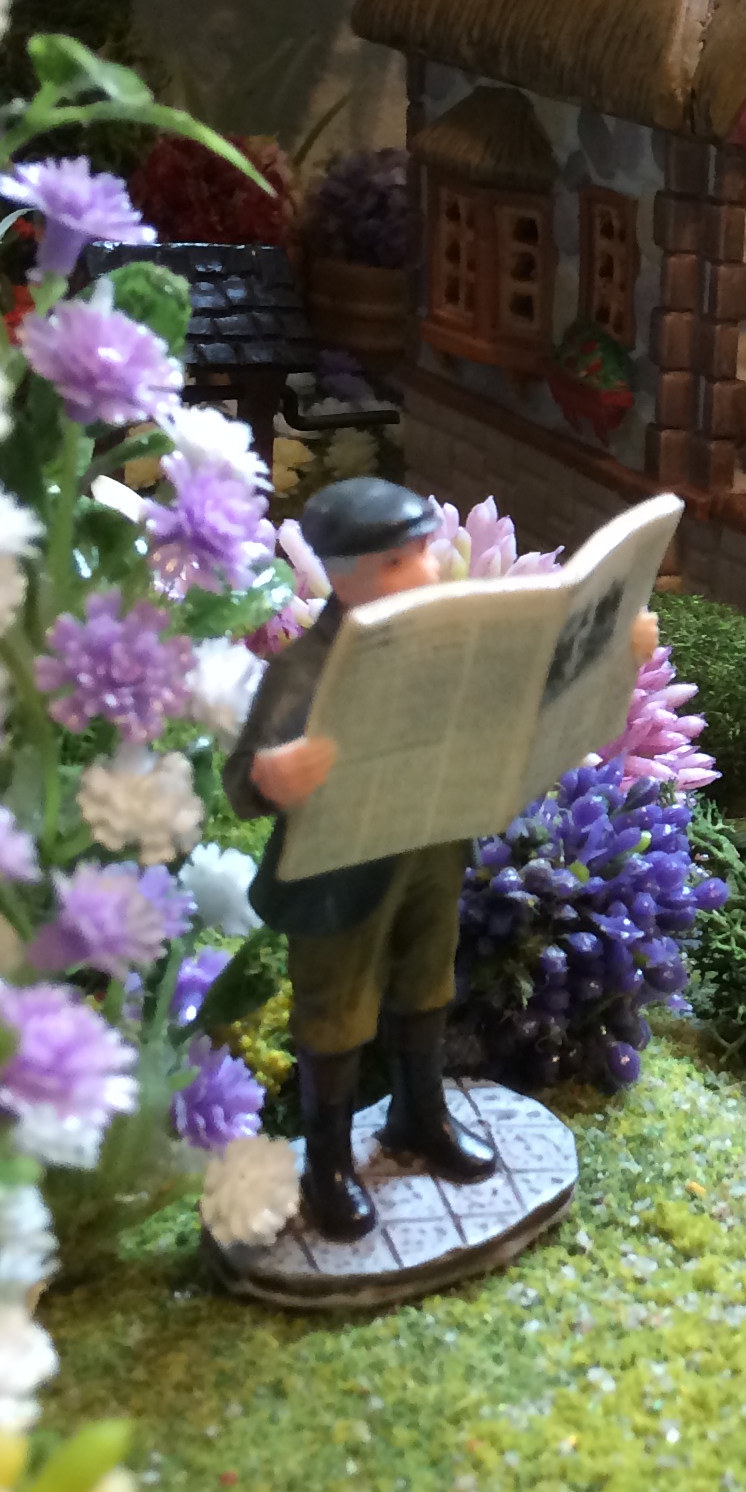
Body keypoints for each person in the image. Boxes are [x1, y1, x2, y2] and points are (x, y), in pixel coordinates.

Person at [228, 477, 657, 1242]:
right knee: (336, 1014)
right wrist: (274, 776)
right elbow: (241, 782)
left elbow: (519, 703)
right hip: (339, 873)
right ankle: (328, 1163)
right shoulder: (307, 671)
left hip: (430, 842)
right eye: (397, 563)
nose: (426, 572)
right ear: (343, 577)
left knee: (427, 981)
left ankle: (418, 1115)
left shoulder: (447, 648)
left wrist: (611, 657)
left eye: (423, 553)